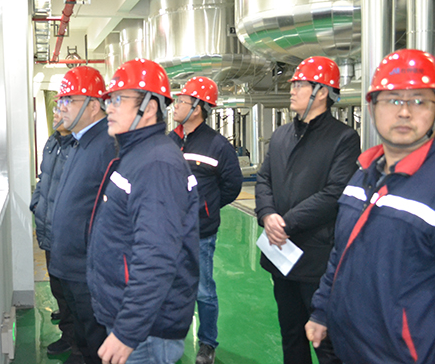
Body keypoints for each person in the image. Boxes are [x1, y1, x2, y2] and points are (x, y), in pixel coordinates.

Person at [306, 49, 435, 363]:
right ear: (372, 107)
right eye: (392, 100)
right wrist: (322, 310)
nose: (405, 112)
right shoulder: (361, 176)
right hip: (347, 345)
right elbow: (341, 252)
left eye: (419, 100)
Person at [87, 58, 200, 364]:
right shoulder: (136, 155)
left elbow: (156, 257)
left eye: (118, 99)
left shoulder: (157, 165)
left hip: (147, 333)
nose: (109, 108)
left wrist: (127, 331)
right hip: (134, 320)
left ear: (149, 108)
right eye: (109, 100)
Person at [255, 56, 360, 364]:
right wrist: (267, 214)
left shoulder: (343, 139)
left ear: (322, 91)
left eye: (299, 85)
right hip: (281, 256)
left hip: (316, 259)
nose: (292, 90)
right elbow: (264, 179)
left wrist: (285, 223)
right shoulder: (281, 135)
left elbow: (335, 193)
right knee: (291, 335)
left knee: (325, 343)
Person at [169, 76, 243, 364]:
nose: (176, 105)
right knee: (173, 287)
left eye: (182, 101)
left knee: (203, 290)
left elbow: (232, 185)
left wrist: (208, 207)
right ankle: (173, 336)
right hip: (170, 231)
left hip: (200, 231)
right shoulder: (171, 140)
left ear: (197, 108)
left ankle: (207, 343)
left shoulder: (217, 145)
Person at [49, 66, 116, 364]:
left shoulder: (107, 146)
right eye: (60, 101)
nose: (61, 107)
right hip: (70, 266)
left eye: (69, 100)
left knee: (97, 342)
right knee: (83, 340)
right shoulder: (78, 142)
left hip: (88, 271)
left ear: (93, 105)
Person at [30, 105, 78, 358]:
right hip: (48, 228)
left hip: (66, 232)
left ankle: (73, 340)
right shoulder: (52, 142)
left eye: (62, 109)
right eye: (55, 110)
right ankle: (68, 329)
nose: (56, 114)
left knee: (71, 290)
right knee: (58, 286)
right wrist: (36, 204)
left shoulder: (79, 147)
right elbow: (43, 178)